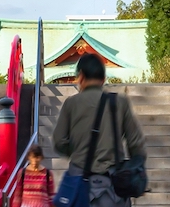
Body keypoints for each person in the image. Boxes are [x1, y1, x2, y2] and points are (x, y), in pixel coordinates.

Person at [51, 54, 147, 207]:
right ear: (103, 79)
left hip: (80, 185)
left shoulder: (71, 104)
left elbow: (59, 141)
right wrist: (134, 171)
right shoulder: (120, 102)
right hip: (113, 188)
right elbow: (136, 144)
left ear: (81, 77)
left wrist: (77, 151)